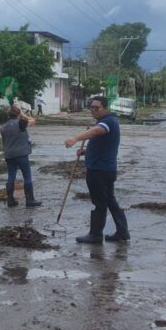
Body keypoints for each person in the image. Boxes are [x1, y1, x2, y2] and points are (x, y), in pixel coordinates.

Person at [64, 95, 130, 244]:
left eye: (97, 108)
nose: (93, 110)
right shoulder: (106, 121)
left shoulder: (108, 122)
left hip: (100, 170)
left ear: (105, 108)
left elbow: (97, 131)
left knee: (99, 202)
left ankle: (95, 235)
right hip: (105, 168)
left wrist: (75, 138)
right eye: (91, 108)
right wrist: (86, 152)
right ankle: (122, 231)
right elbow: (103, 145)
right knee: (110, 201)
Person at [0, 104, 42, 208]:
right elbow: (33, 120)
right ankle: (30, 200)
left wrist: (19, 113)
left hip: (9, 155)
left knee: (11, 176)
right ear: (18, 114)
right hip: (21, 154)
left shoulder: (3, 128)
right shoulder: (21, 123)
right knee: (27, 176)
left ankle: (10, 200)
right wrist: (23, 114)